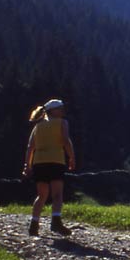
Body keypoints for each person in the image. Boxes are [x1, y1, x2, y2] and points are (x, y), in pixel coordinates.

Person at [22, 98, 76, 236]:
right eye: (60, 108)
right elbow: (65, 140)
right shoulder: (62, 123)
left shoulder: (38, 126)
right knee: (57, 194)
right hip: (56, 160)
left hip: (39, 162)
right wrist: (71, 157)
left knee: (41, 195)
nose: (63, 110)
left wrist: (27, 165)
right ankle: (56, 221)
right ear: (53, 111)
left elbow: (30, 147)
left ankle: (34, 225)